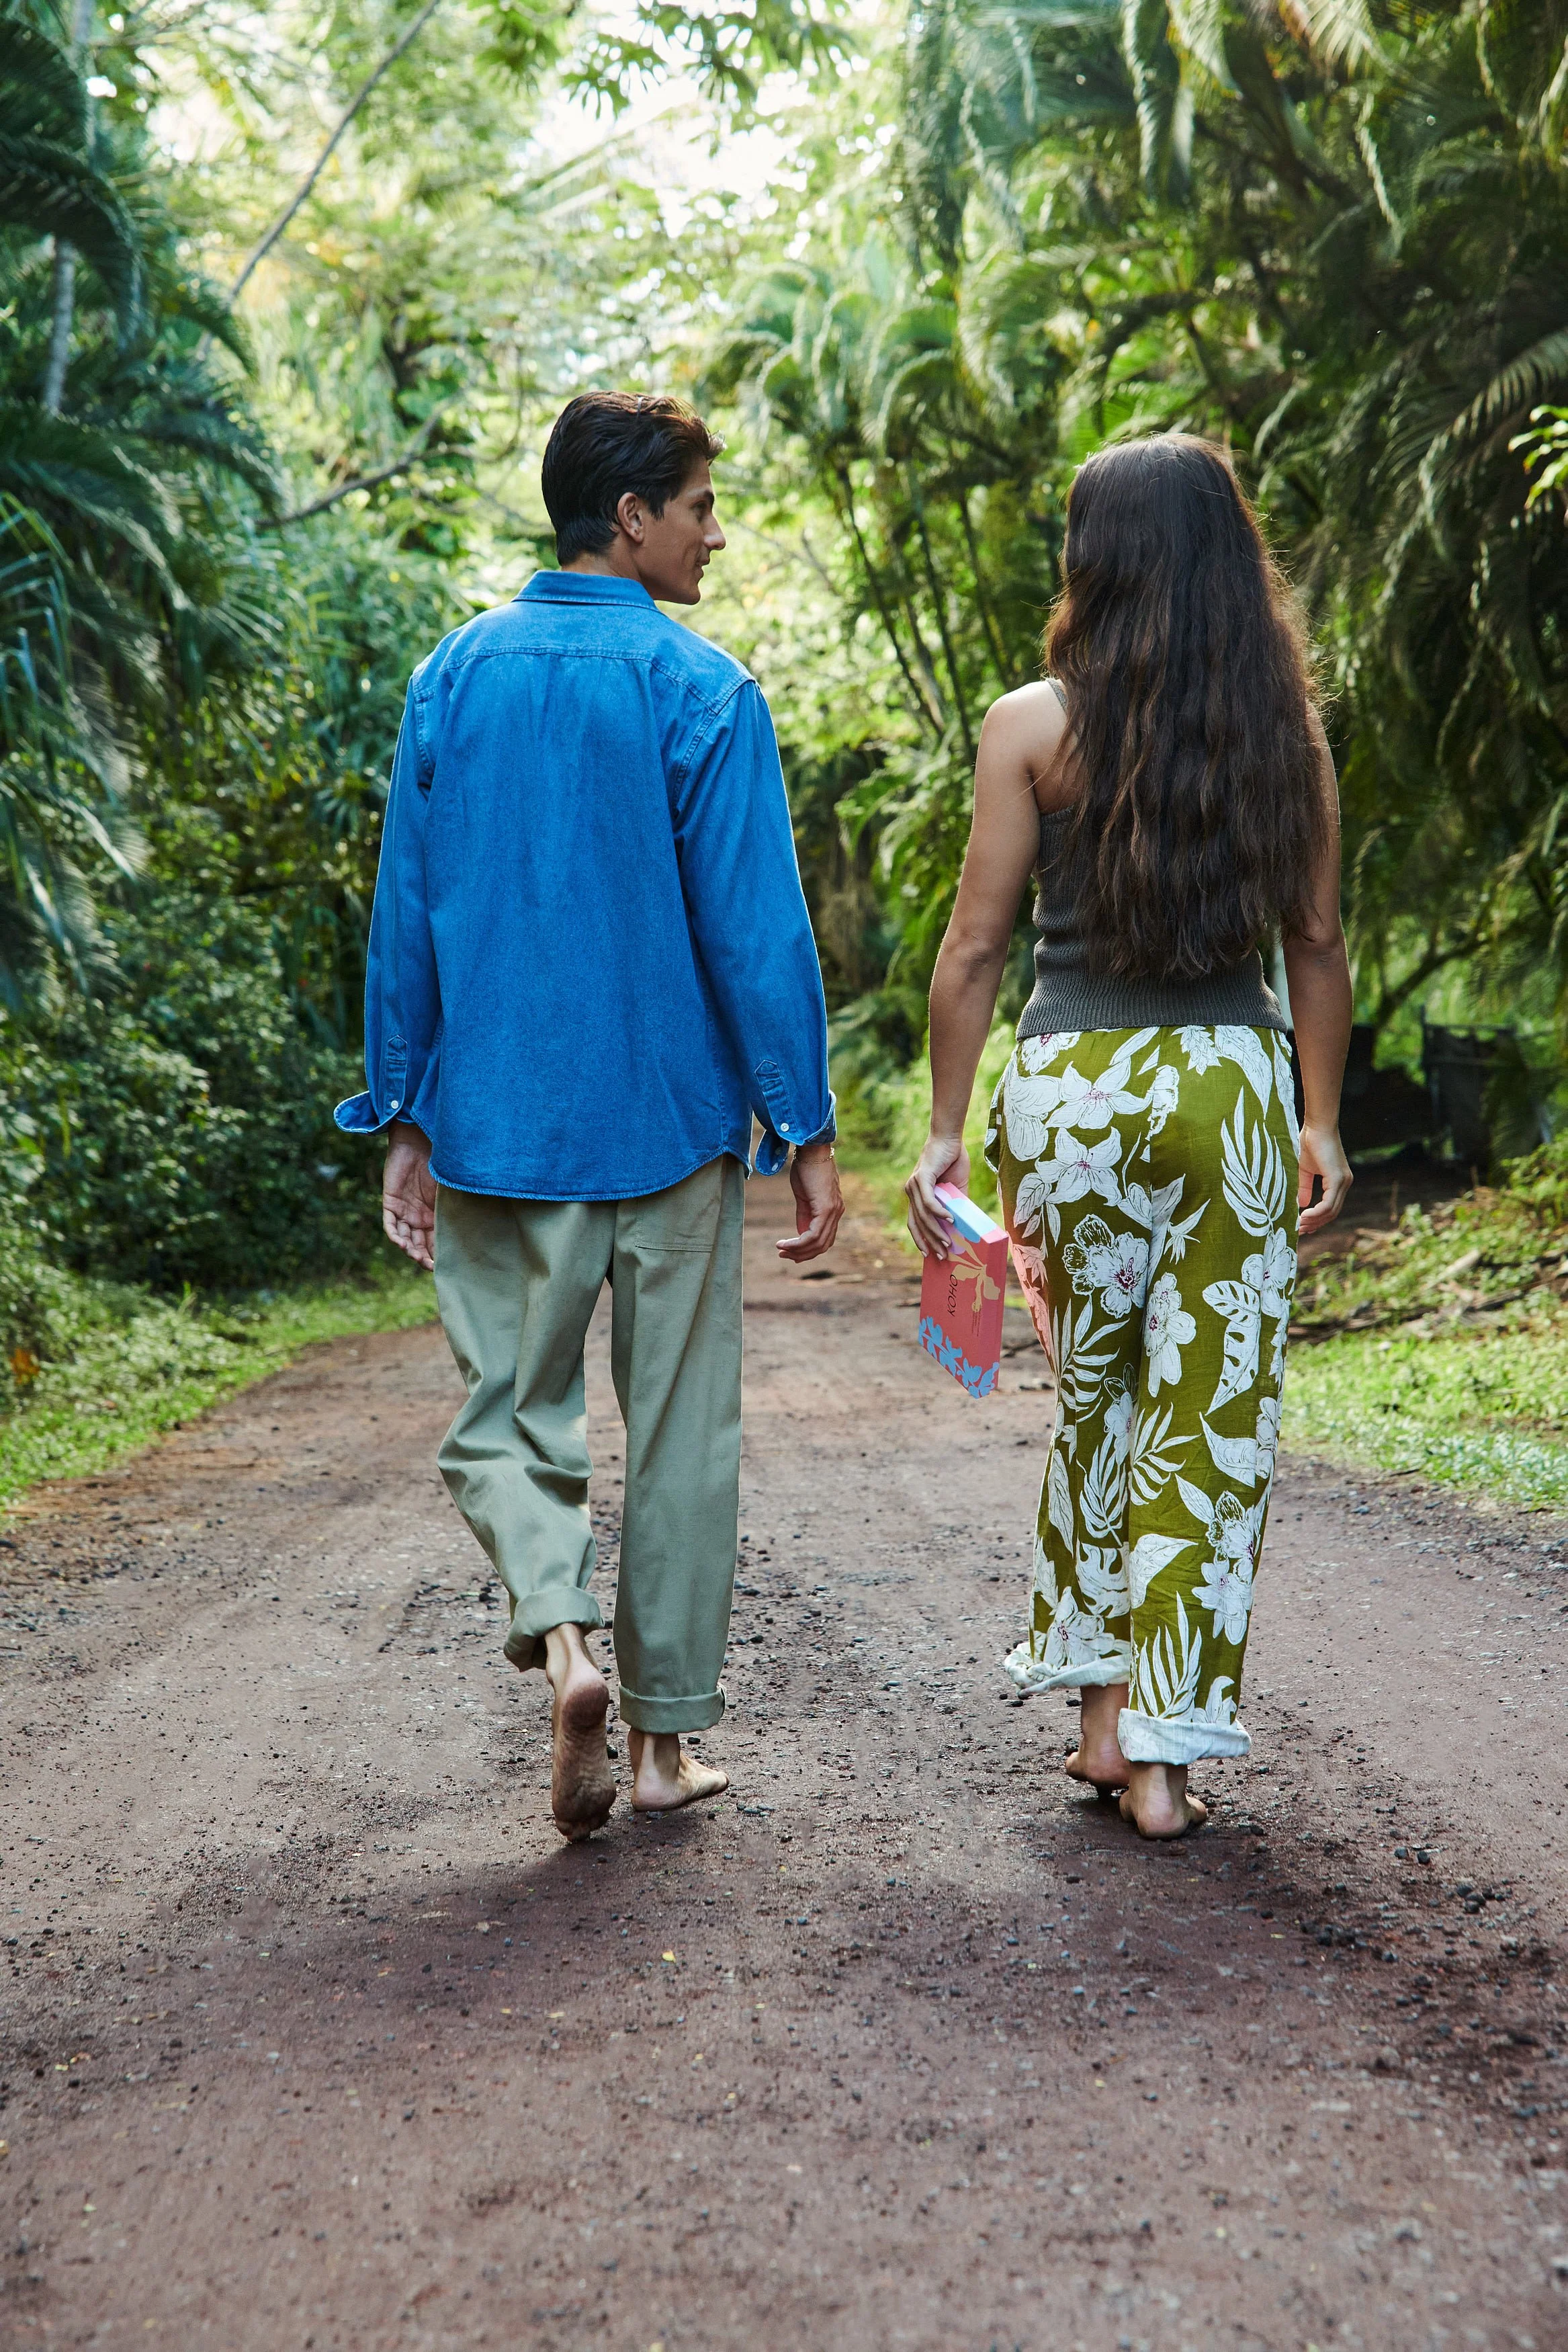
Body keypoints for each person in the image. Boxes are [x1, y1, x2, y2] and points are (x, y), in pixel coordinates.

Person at [337, 390, 842, 1841]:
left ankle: (563, 1644)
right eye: (697, 505)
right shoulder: (704, 690)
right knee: (683, 1430)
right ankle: (666, 1747)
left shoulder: (452, 679)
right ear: (630, 517)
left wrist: (404, 1106)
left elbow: (408, 919)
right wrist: (800, 1126)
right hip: (674, 1132)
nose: (715, 532)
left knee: (507, 1415)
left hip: (498, 1123)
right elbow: (758, 932)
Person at [904, 433, 1351, 1839]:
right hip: (1231, 1089)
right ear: (1231, 558)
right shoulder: (1287, 729)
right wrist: (1323, 1120)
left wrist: (941, 1137)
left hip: (1072, 1098)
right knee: (1206, 1423)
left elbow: (975, 949)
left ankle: (1100, 1724)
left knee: (1098, 1404)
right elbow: (1319, 940)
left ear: (1090, 562)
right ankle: (1163, 1763)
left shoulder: (1030, 724)